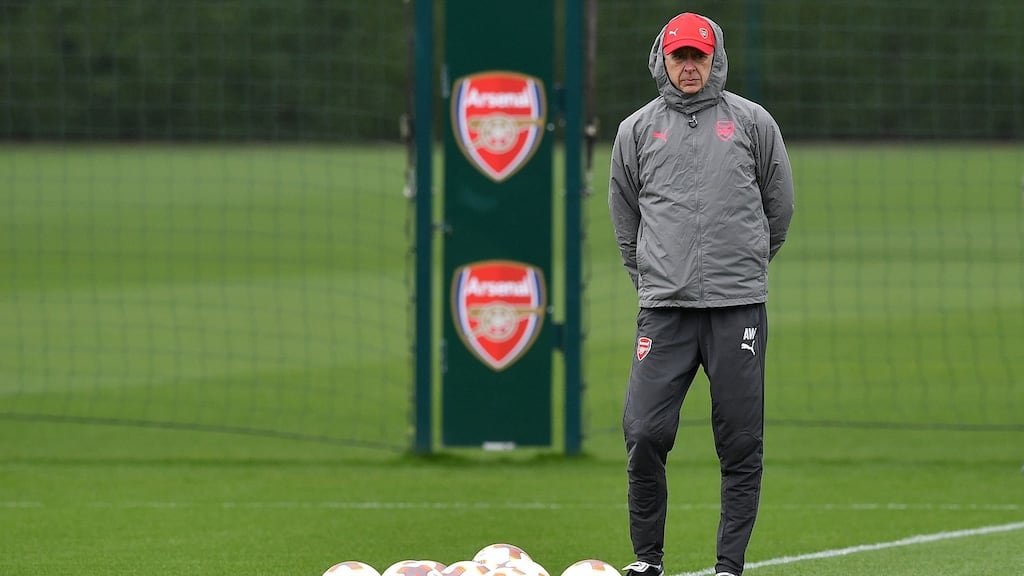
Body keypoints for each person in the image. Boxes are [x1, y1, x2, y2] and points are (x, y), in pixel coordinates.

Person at [607, 11, 795, 576]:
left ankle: (728, 564)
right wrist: (652, 279)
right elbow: (624, 218)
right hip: (664, 311)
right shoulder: (636, 130)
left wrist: (743, 268)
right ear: (661, 60)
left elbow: (778, 208)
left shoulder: (752, 122)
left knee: (739, 442)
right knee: (643, 432)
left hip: (737, 308)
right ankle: (648, 559)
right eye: (679, 56)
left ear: (715, 60)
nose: (689, 67)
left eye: (698, 56)